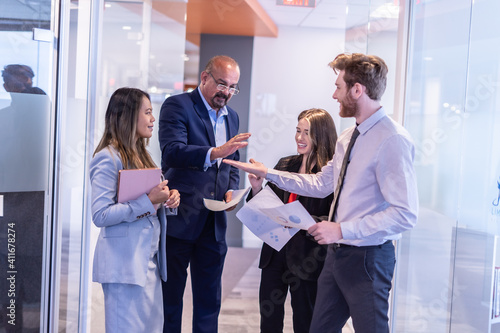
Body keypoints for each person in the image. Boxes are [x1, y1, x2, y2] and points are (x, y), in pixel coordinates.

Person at [223, 53, 418, 333]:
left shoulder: (392, 139)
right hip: (337, 256)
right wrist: (268, 173)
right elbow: (320, 183)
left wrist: (341, 230)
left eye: (338, 87)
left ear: (357, 90)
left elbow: (405, 214)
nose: (334, 94)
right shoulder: (349, 137)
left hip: (368, 259)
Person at [158, 55, 251, 333]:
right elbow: (172, 151)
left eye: (233, 87)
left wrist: (232, 187)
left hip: (214, 224)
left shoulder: (231, 116)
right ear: (204, 77)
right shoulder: (178, 106)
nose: (227, 92)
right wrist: (214, 153)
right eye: (222, 84)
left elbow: (231, 161)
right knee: (170, 300)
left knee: (209, 302)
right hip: (180, 218)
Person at [89, 87, 180, 332]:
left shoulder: (144, 156)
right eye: (148, 112)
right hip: (124, 267)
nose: (153, 119)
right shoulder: (108, 158)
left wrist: (168, 200)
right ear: (128, 115)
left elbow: (150, 206)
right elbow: (101, 215)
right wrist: (148, 200)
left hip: (148, 264)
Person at [247, 108, 337, 333]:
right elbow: (268, 204)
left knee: (305, 321)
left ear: (321, 135)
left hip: (307, 256)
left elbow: (334, 217)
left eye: (307, 132)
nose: (299, 137)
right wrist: (257, 188)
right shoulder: (285, 165)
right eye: (298, 130)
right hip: (275, 252)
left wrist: (302, 221)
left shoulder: (330, 174)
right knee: (269, 319)